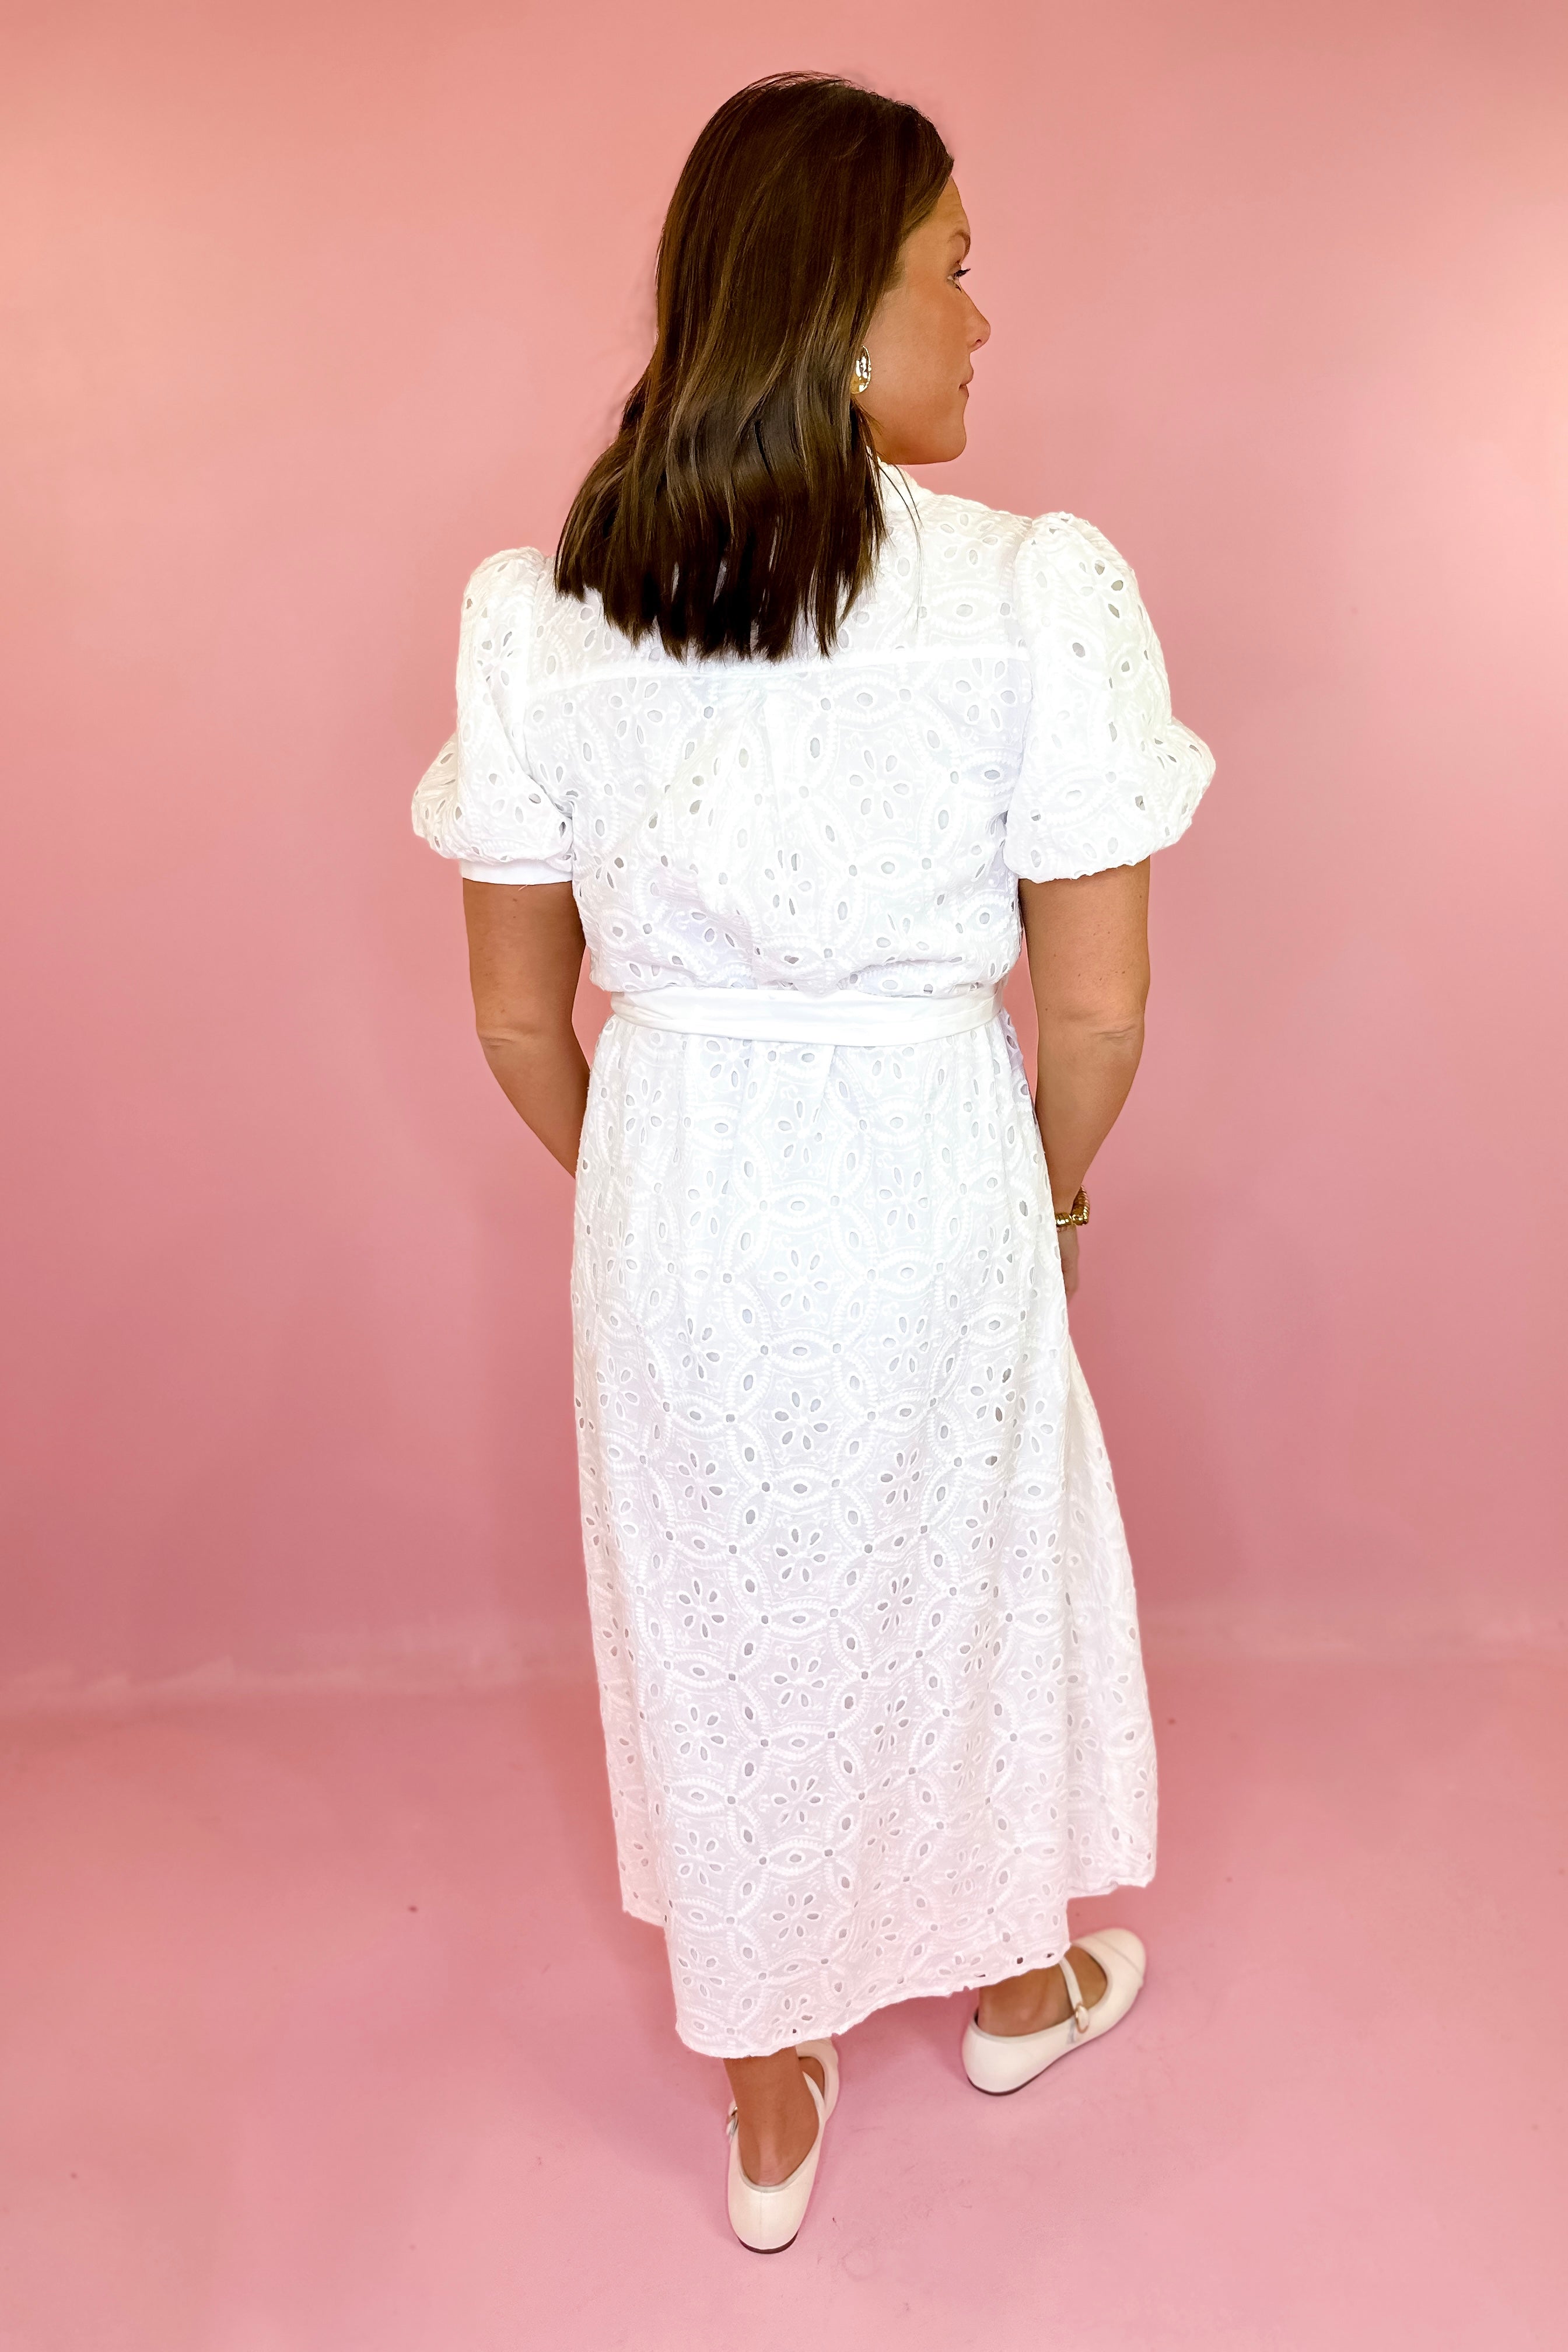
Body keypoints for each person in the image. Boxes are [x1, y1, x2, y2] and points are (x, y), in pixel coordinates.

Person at [413, 72, 1212, 2252]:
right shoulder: (1030, 593)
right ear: (843, 318)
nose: (984, 313)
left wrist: (656, 1186)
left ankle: (770, 2090)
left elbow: (516, 1017)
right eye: (955, 265)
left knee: (721, 1604)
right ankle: (1018, 1986)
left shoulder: (539, 615)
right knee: (970, 1570)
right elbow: (1101, 1014)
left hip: (674, 1189)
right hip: (934, 1171)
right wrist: (1048, 1197)